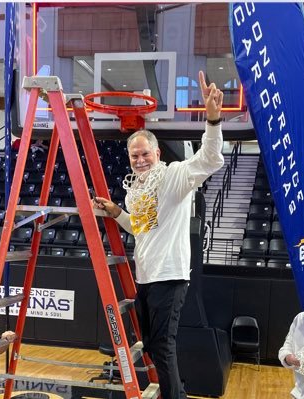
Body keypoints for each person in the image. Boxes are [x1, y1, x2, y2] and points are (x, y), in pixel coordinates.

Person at [93, 70, 224, 399]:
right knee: (152, 345)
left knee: (163, 348)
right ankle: (177, 389)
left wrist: (212, 120)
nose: (139, 160)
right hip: (146, 276)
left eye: (145, 154)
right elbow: (139, 229)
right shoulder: (135, 190)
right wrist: (116, 212)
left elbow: (209, 159)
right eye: (134, 156)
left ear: (158, 154)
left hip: (170, 275)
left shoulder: (174, 177)